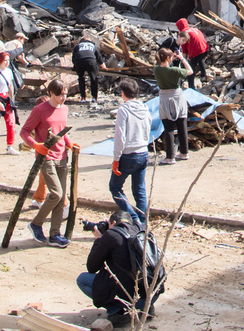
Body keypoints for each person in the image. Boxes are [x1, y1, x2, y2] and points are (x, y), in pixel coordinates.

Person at [20, 79, 78, 248]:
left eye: (65, 94)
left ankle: (55, 234)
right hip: (46, 156)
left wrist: (69, 143)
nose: (63, 98)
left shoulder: (65, 109)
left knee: (61, 199)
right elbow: (24, 131)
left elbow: (62, 129)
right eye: (60, 95)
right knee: (56, 193)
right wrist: (35, 145)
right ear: (52, 93)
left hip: (62, 156)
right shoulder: (40, 110)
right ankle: (36, 224)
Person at [77, 209, 155, 328]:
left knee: (82, 280)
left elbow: (91, 267)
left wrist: (99, 239)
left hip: (131, 298)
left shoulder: (111, 235)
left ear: (113, 223)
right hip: (151, 294)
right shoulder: (142, 230)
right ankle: (147, 306)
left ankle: (115, 312)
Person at [111, 78, 151, 224]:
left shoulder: (124, 110)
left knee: (115, 188)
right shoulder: (145, 108)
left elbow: (120, 136)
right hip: (143, 152)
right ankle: (143, 222)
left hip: (128, 155)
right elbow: (148, 129)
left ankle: (134, 218)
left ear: (123, 93)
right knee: (140, 191)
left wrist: (116, 158)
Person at [153, 47, 191, 165]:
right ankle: (184, 152)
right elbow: (190, 71)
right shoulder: (174, 71)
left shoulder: (156, 70)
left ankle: (170, 157)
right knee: (181, 124)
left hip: (164, 98)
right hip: (177, 97)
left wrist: (168, 58)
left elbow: (159, 64)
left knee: (168, 127)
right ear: (169, 58)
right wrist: (182, 59)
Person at [175, 18, 210, 89]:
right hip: (205, 49)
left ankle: (191, 87)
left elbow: (184, 50)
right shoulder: (194, 29)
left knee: (190, 68)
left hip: (197, 51)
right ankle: (203, 75)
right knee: (200, 59)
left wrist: (183, 61)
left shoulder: (183, 33)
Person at [71, 36, 101, 104]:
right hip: (90, 60)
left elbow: (73, 58)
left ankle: (83, 98)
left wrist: (75, 66)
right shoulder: (93, 46)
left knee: (81, 78)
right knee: (93, 79)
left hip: (78, 61)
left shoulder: (77, 46)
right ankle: (94, 98)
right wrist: (104, 67)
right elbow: (99, 58)